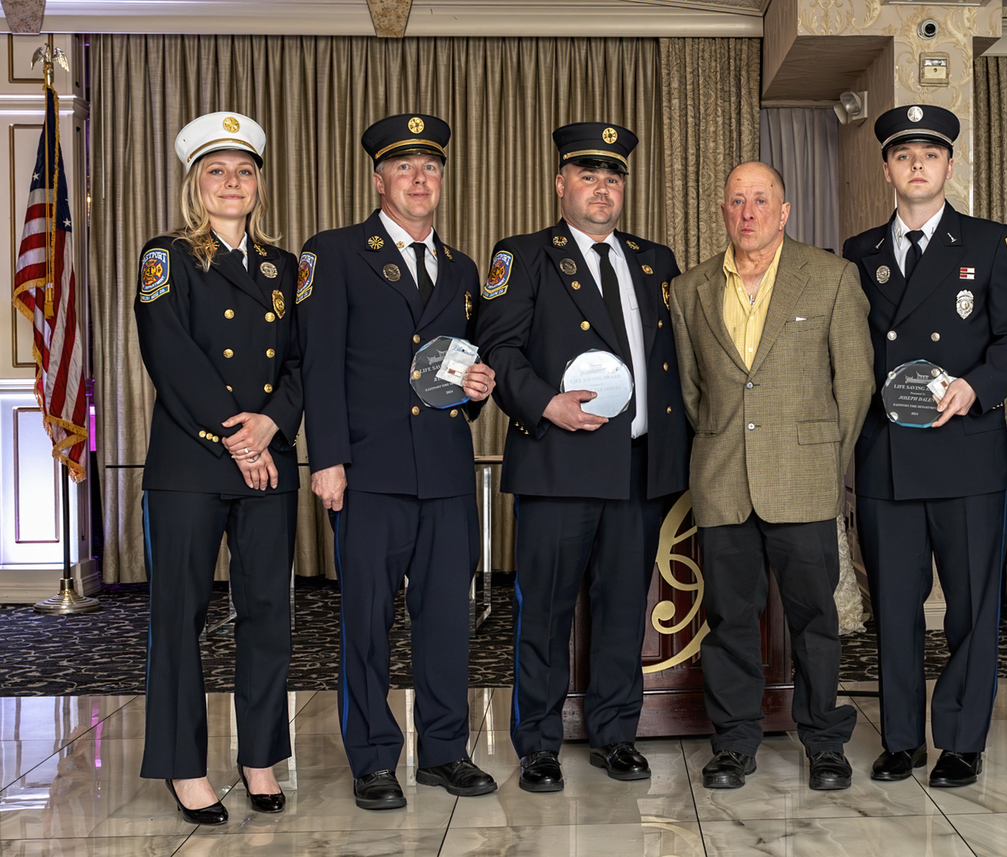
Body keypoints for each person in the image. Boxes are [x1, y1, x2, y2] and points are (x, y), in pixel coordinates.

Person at [473, 122, 689, 793]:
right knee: (546, 610)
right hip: (561, 461)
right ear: (560, 183)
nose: (603, 188)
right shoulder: (524, 255)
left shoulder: (657, 260)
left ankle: (615, 733)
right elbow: (499, 351)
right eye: (589, 175)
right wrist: (545, 404)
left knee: (624, 604)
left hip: (638, 466)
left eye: (614, 176)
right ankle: (538, 741)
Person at [298, 113, 498, 811]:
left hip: (444, 471)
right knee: (367, 623)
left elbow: (459, 368)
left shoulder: (465, 268)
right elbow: (319, 365)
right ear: (378, 178)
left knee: (446, 620)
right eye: (406, 167)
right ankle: (374, 757)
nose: (421, 179)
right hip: (369, 471)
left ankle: (444, 750)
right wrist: (327, 459)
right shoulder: (335, 252)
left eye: (432, 168)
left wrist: (480, 389)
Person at [842, 105, 1007, 788]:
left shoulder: (990, 243)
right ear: (888, 168)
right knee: (893, 605)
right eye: (903, 155)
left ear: (950, 165)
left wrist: (974, 388)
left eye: (930, 154)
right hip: (886, 455)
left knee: (971, 607)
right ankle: (900, 737)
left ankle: (959, 738)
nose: (917, 165)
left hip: (964, 450)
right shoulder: (857, 253)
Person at [670, 160, 874, 791]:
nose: (749, 212)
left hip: (804, 478)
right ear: (723, 210)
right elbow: (694, 391)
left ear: (784, 211)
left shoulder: (833, 278)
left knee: (815, 619)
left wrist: (824, 462)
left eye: (761, 200)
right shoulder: (690, 289)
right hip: (725, 478)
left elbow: (857, 383)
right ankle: (733, 743)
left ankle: (824, 742)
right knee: (730, 620)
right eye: (737, 201)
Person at [135, 111, 300, 824]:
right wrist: (238, 436)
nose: (232, 182)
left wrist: (273, 425)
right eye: (216, 171)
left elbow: (302, 361)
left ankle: (259, 756)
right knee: (181, 615)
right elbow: (170, 357)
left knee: (269, 614)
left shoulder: (283, 266)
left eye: (244, 170)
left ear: (260, 183)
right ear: (194, 185)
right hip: (191, 462)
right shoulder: (166, 256)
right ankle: (183, 767)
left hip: (268, 461)